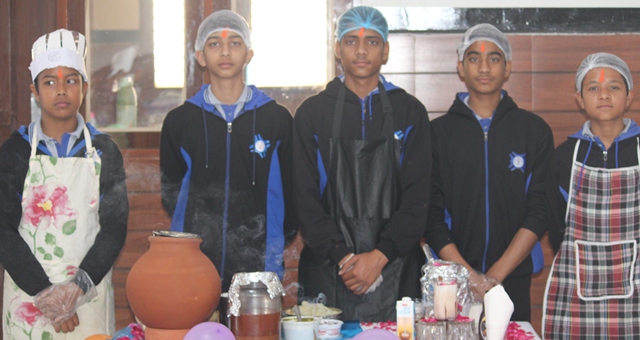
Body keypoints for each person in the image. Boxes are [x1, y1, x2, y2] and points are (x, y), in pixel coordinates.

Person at [0, 29, 128, 340]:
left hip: (86, 299)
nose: (61, 90)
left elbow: (114, 228)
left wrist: (75, 289)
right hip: (30, 301)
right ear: (34, 91)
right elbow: (3, 229)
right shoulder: (15, 150)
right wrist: (45, 293)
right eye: (49, 81)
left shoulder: (104, 150)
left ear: (84, 88)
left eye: (71, 80)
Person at [293, 6, 431, 322]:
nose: (361, 50)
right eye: (351, 41)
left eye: (372, 41)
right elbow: (304, 200)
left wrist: (379, 257)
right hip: (328, 270)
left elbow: (418, 200)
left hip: (396, 270)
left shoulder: (410, 112)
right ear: (338, 49)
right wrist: (345, 259)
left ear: (386, 51)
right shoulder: (312, 114)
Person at [424, 23, 554, 322]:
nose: (484, 67)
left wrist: (495, 276)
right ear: (461, 67)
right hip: (451, 280)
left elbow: (540, 210)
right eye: (474, 58)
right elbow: (430, 214)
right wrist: (468, 276)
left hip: (512, 278)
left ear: (507, 67)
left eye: (494, 58)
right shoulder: (437, 133)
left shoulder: (533, 131)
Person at [160, 10, 296, 291]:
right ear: (200, 57)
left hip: (260, 262)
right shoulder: (180, 121)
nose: (225, 51)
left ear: (249, 54)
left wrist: (272, 244)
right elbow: (171, 193)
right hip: (194, 263)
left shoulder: (276, 119)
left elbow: (292, 193)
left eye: (235, 43)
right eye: (214, 44)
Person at [544, 53, 640, 340]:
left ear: (629, 96)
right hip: (577, 290)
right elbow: (557, 225)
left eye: (614, 86)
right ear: (579, 98)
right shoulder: (565, 155)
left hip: (636, 292)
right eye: (593, 87)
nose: (604, 94)